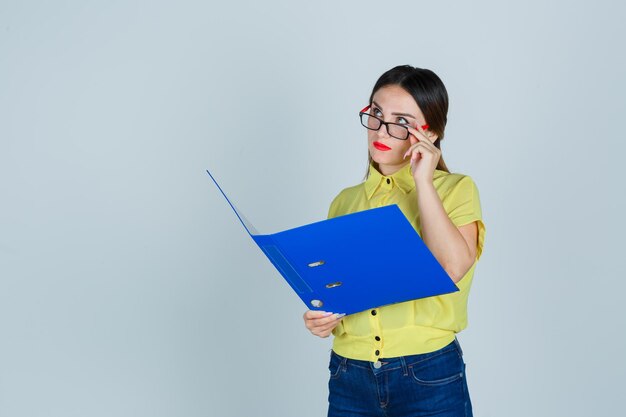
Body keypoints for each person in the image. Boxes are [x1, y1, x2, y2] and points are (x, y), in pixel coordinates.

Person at [303, 65, 486, 417]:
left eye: (401, 121)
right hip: (348, 374)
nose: (380, 130)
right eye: (375, 113)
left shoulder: (456, 189)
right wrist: (321, 319)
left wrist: (424, 182)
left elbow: (451, 268)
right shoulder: (344, 201)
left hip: (428, 373)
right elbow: (339, 292)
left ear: (427, 132)